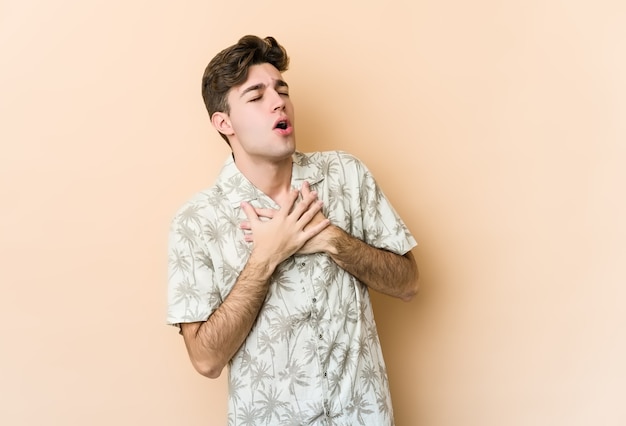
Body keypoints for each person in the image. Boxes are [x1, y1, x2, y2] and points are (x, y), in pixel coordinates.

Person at [167, 35, 419, 426]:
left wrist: (334, 240)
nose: (278, 101)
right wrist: (266, 257)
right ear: (224, 122)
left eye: (281, 89)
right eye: (256, 96)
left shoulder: (346, 176)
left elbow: (408, 282)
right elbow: (205, 359)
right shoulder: (197, 220)